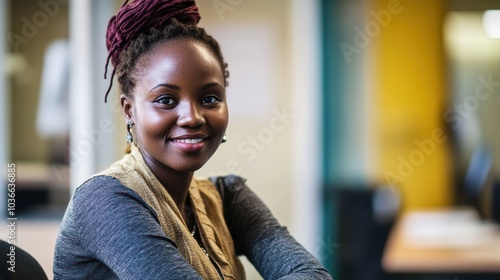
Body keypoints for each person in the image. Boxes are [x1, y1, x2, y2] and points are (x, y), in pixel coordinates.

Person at [53, 0, 332, 279]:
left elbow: (311, 274)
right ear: (129, 109)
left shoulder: (227, 198)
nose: (192, 117)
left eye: (209, 98)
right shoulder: (104, 200)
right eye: (166, 100)